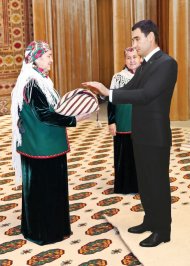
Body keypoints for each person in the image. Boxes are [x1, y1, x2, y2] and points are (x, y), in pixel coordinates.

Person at [82, 19, 178, 247]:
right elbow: (129, 89)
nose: (133, 43)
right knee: (144, 182)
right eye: (132, 39)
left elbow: (145, 95)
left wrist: (110, 93)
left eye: (137, 38)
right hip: (141, 134)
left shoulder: (166, 63)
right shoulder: (145, 65)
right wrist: (104, 93)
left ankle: (162, 230)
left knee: (158, 184)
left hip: (156, 136)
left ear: (151, 37)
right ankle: (150, 220)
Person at [11, 41, 90, 245]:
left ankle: (52, 228)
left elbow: (55, 108)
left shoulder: (41, 80)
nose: (51, 60)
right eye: (48, 56)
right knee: (43, 189)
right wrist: (74, 120)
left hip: (47, 143)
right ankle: (42, 232)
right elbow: (45, 115)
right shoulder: (32, 83)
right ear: (36, 58)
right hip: (41, 146)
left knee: (51, 188)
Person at [108, 47, 141, 194]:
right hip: (123, 122)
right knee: (125, 153)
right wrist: (111, 121)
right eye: (129, 58)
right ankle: (125, 185)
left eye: (135, 57)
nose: (132, 60)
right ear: (125, 60)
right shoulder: (117, 77)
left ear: (140, 58)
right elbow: (111, 101)